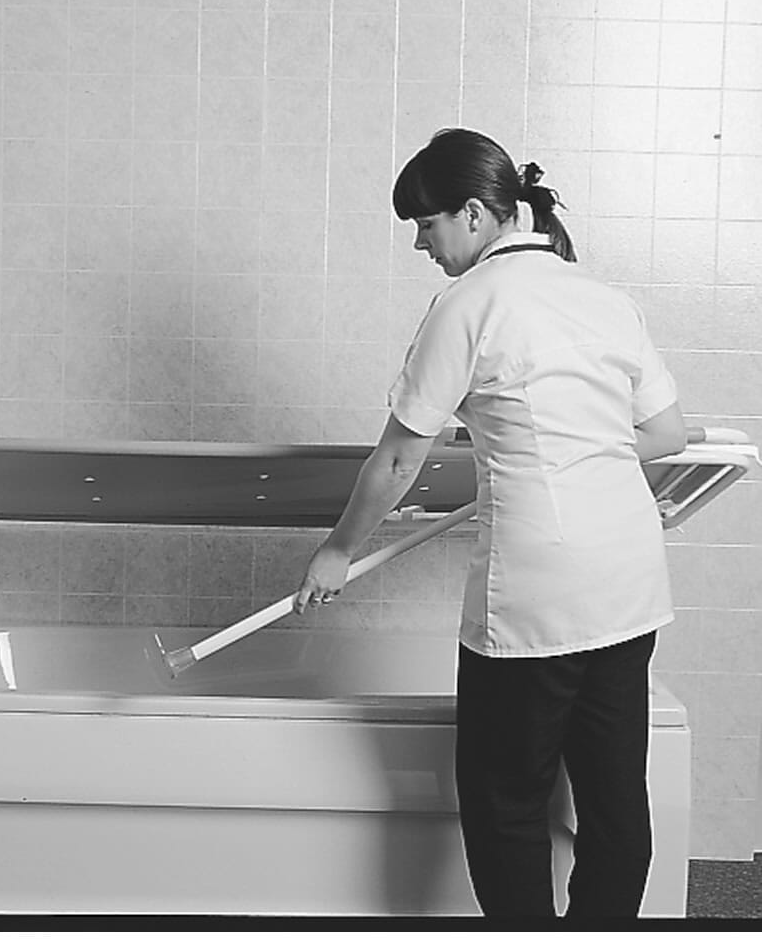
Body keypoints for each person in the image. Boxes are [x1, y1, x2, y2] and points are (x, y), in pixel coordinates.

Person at [292, 127, 687, 920]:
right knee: (613, 799)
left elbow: (399, 460)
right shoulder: (603, 298)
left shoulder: (468, 303)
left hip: (537, 588)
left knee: (504, 798)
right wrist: (570, 458)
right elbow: (668, 435)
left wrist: (336, 551)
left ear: (474, 214)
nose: (419, 242)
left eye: (426, 223)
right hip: (628, 581)